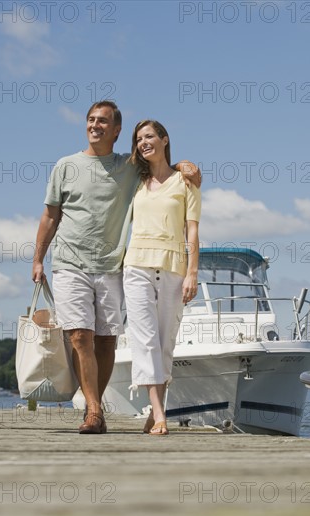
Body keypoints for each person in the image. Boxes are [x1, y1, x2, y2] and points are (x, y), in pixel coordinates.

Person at [32, 101, 201, 434]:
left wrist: (186, 165)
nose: (95, 125)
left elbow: (161, 168)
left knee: (107, 341)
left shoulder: (130, 167)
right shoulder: (66, 166)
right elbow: (50, 216)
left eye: (103, 121)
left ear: (116, 130)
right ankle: (94, 411)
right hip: (70, 263)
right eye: (91, 120)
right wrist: (38, 258)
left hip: (112, 266)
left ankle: (97, 404)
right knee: (80, 336)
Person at [123, 120, 201, 436]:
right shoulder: (133, 181)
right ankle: (159, 414)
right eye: (139, 138)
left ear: (164, 139)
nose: (144, 142)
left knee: (164, 341)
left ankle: (155, 413)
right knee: (144, 340)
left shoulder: (186, 182)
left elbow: (192, 230)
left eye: (150, 136)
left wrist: (192, 273)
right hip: (137, 265)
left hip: (173, 268)